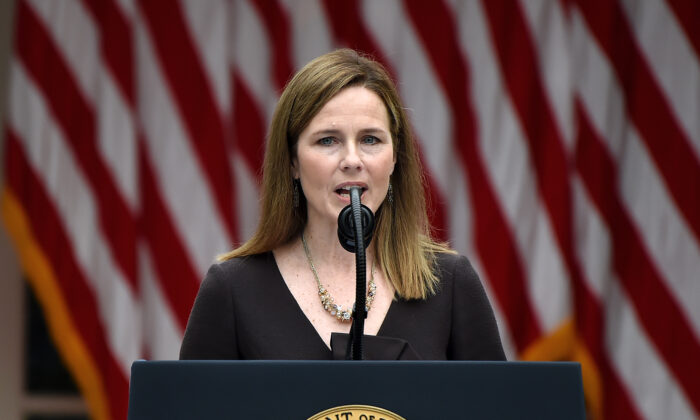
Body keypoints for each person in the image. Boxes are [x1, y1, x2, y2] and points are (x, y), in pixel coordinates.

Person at [179, 49, 505, 361]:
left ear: (394, 159)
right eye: (327, 140)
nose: (352, 160)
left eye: (370, 139)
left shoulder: (449, 284)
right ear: (292, 161)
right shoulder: (233, 290)